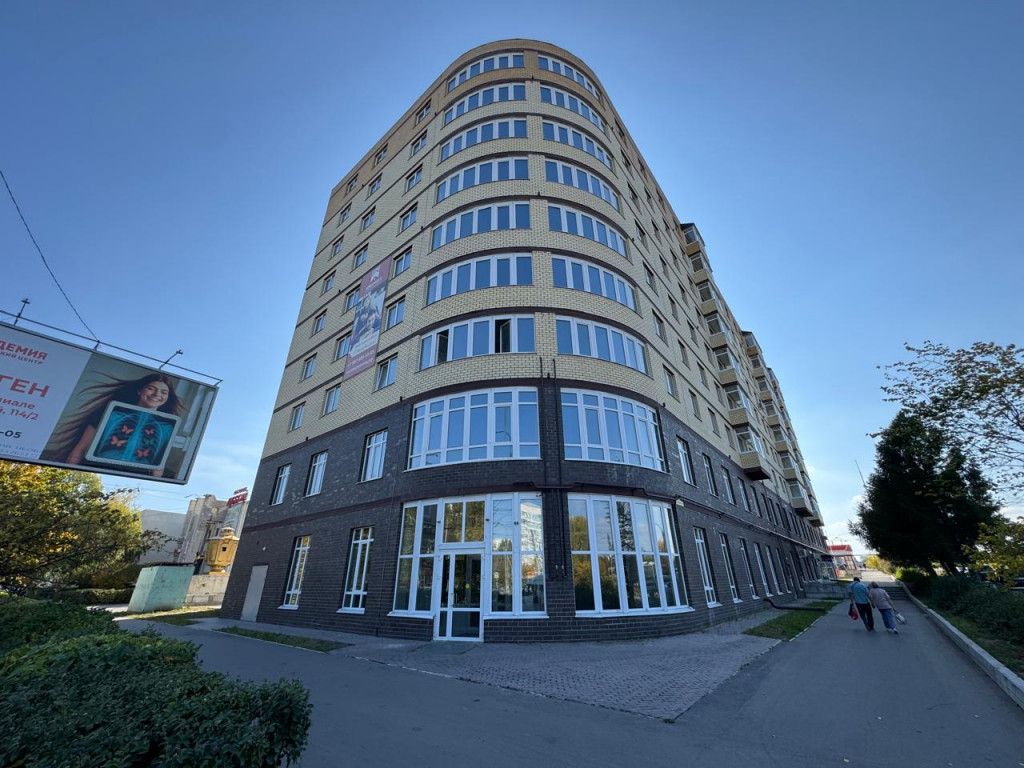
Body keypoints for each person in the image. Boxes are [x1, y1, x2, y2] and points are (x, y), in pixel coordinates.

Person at [44, 373, 185, 477]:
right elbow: (81, 448)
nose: (157, 394)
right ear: (139, 391)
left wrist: (154, 483)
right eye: (151, 388)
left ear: (167, 398)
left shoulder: (167, 426)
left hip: (135, 478)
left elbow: (159, 464)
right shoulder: (110, 413)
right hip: (95, 472)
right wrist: (68, 474)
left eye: (164, 392)